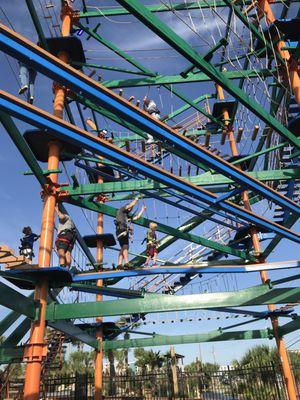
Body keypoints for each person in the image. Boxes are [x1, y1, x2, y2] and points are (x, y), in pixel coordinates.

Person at [115, 197, 146, 269]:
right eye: (130, 208)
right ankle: (126, 263)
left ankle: (119, 264)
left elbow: (137, 217)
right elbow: (130, 205)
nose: (130, 209)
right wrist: (136, 199)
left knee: (123, 247)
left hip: (122, 230)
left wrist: (142, 210)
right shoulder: (121, 210)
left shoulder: (127, 216)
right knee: (125, 246)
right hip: (122, 230)